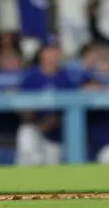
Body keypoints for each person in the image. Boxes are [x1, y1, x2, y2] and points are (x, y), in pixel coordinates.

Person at [15, 37, 75, 166]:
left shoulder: (67, 78)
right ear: (41, 53)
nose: (52, 55)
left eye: (55, 51)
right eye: (48, 51)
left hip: (56, 132)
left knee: (52, 172)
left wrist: (51, 122)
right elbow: (21, 106)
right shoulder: (30, 77)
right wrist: (36, 123)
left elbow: (71, 108)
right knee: (26, 134)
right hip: (33, 126)